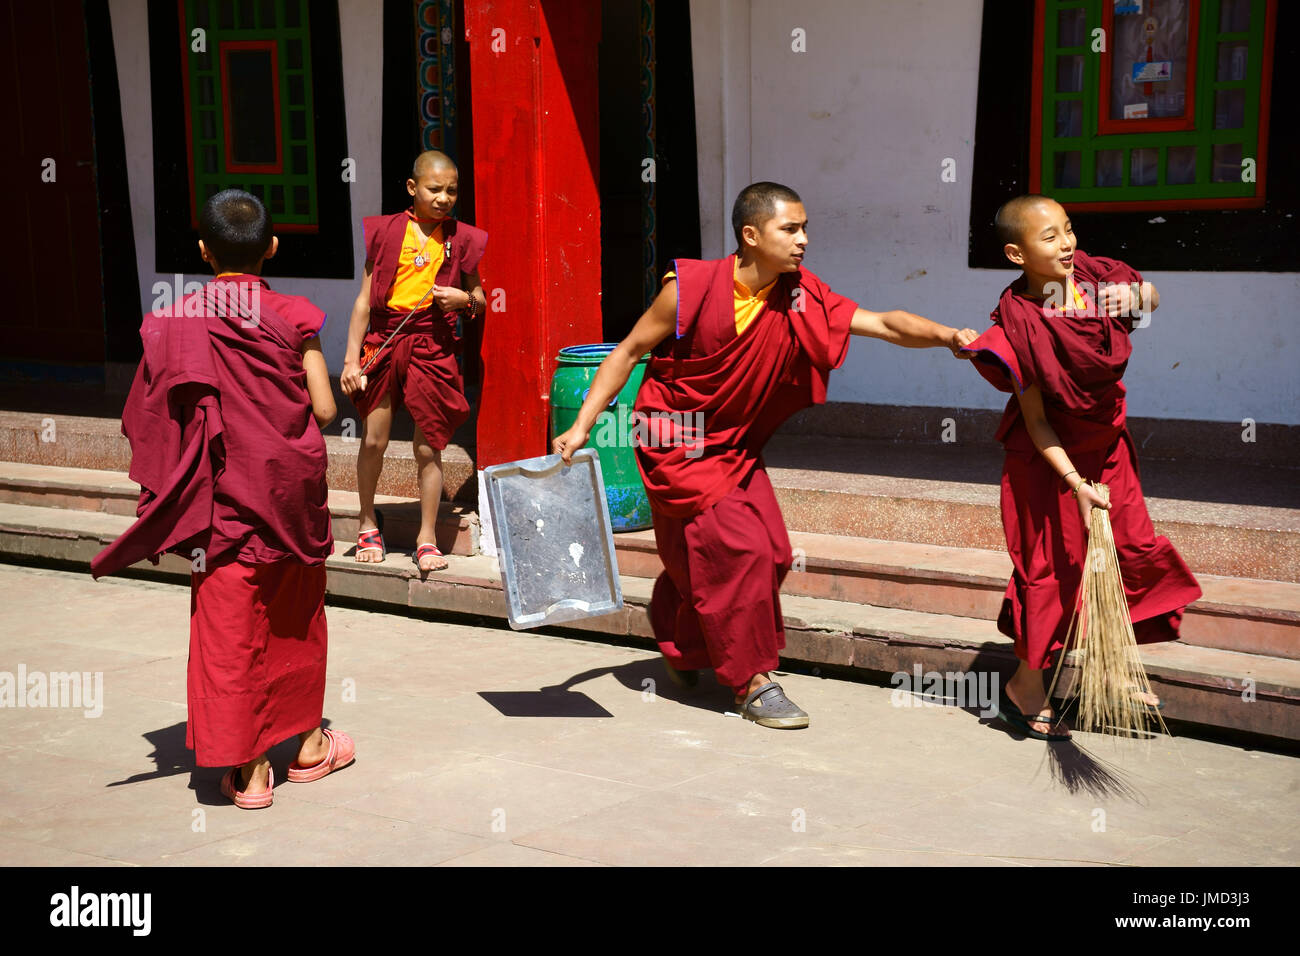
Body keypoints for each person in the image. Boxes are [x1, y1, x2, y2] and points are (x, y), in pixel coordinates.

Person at [553, 182, 977, 729]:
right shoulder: (690, 289)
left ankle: (683, 638)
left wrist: (948, 337)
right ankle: (752, 682)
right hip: (675, 439)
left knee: (773, 552)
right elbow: (630, 350)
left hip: (732, 446)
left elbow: (883, 323)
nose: (804, 240)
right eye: (791, 229)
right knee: (741, 551)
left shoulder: (800, 295)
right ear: (751, 236)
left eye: (805, 229)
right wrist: (583, 426)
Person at [92, 189, 354, 808]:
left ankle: (252, 770)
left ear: (205, 251)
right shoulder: (294, 313)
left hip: (223, 498)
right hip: (289, 489)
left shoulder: (178, 319)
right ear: (273, 247)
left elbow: (152, 413)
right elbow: (322, 407)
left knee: (229, 623)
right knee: (296, 614)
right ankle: (312, 745)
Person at [961, 194, 1202, 740]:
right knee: (1057, 571)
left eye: (1067, 229)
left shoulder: (1094, 275)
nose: (1066, 243)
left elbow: (1150, 298)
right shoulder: (1018, 323)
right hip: (1049, 460)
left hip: (1107, 442)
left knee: (1131, 547)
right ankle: (1027, 686)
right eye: (1049, 237)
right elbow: (1038, 422)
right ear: (1016, 254)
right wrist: (1074, 483)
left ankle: (1109, 665)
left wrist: (1137, 295)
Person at [339, 150, 487, 573]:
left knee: (429, 446)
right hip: (384, 341)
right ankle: (367, 522)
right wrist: (351, 361)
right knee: (373, 439)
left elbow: (479, 301)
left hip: (431, 346)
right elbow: (365, 301)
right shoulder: (387, 232)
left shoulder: (462, 238)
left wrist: (464, 301)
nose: (444, 198)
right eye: (434, 189)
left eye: (452, 191)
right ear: (412, 188)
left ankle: (426, 535)